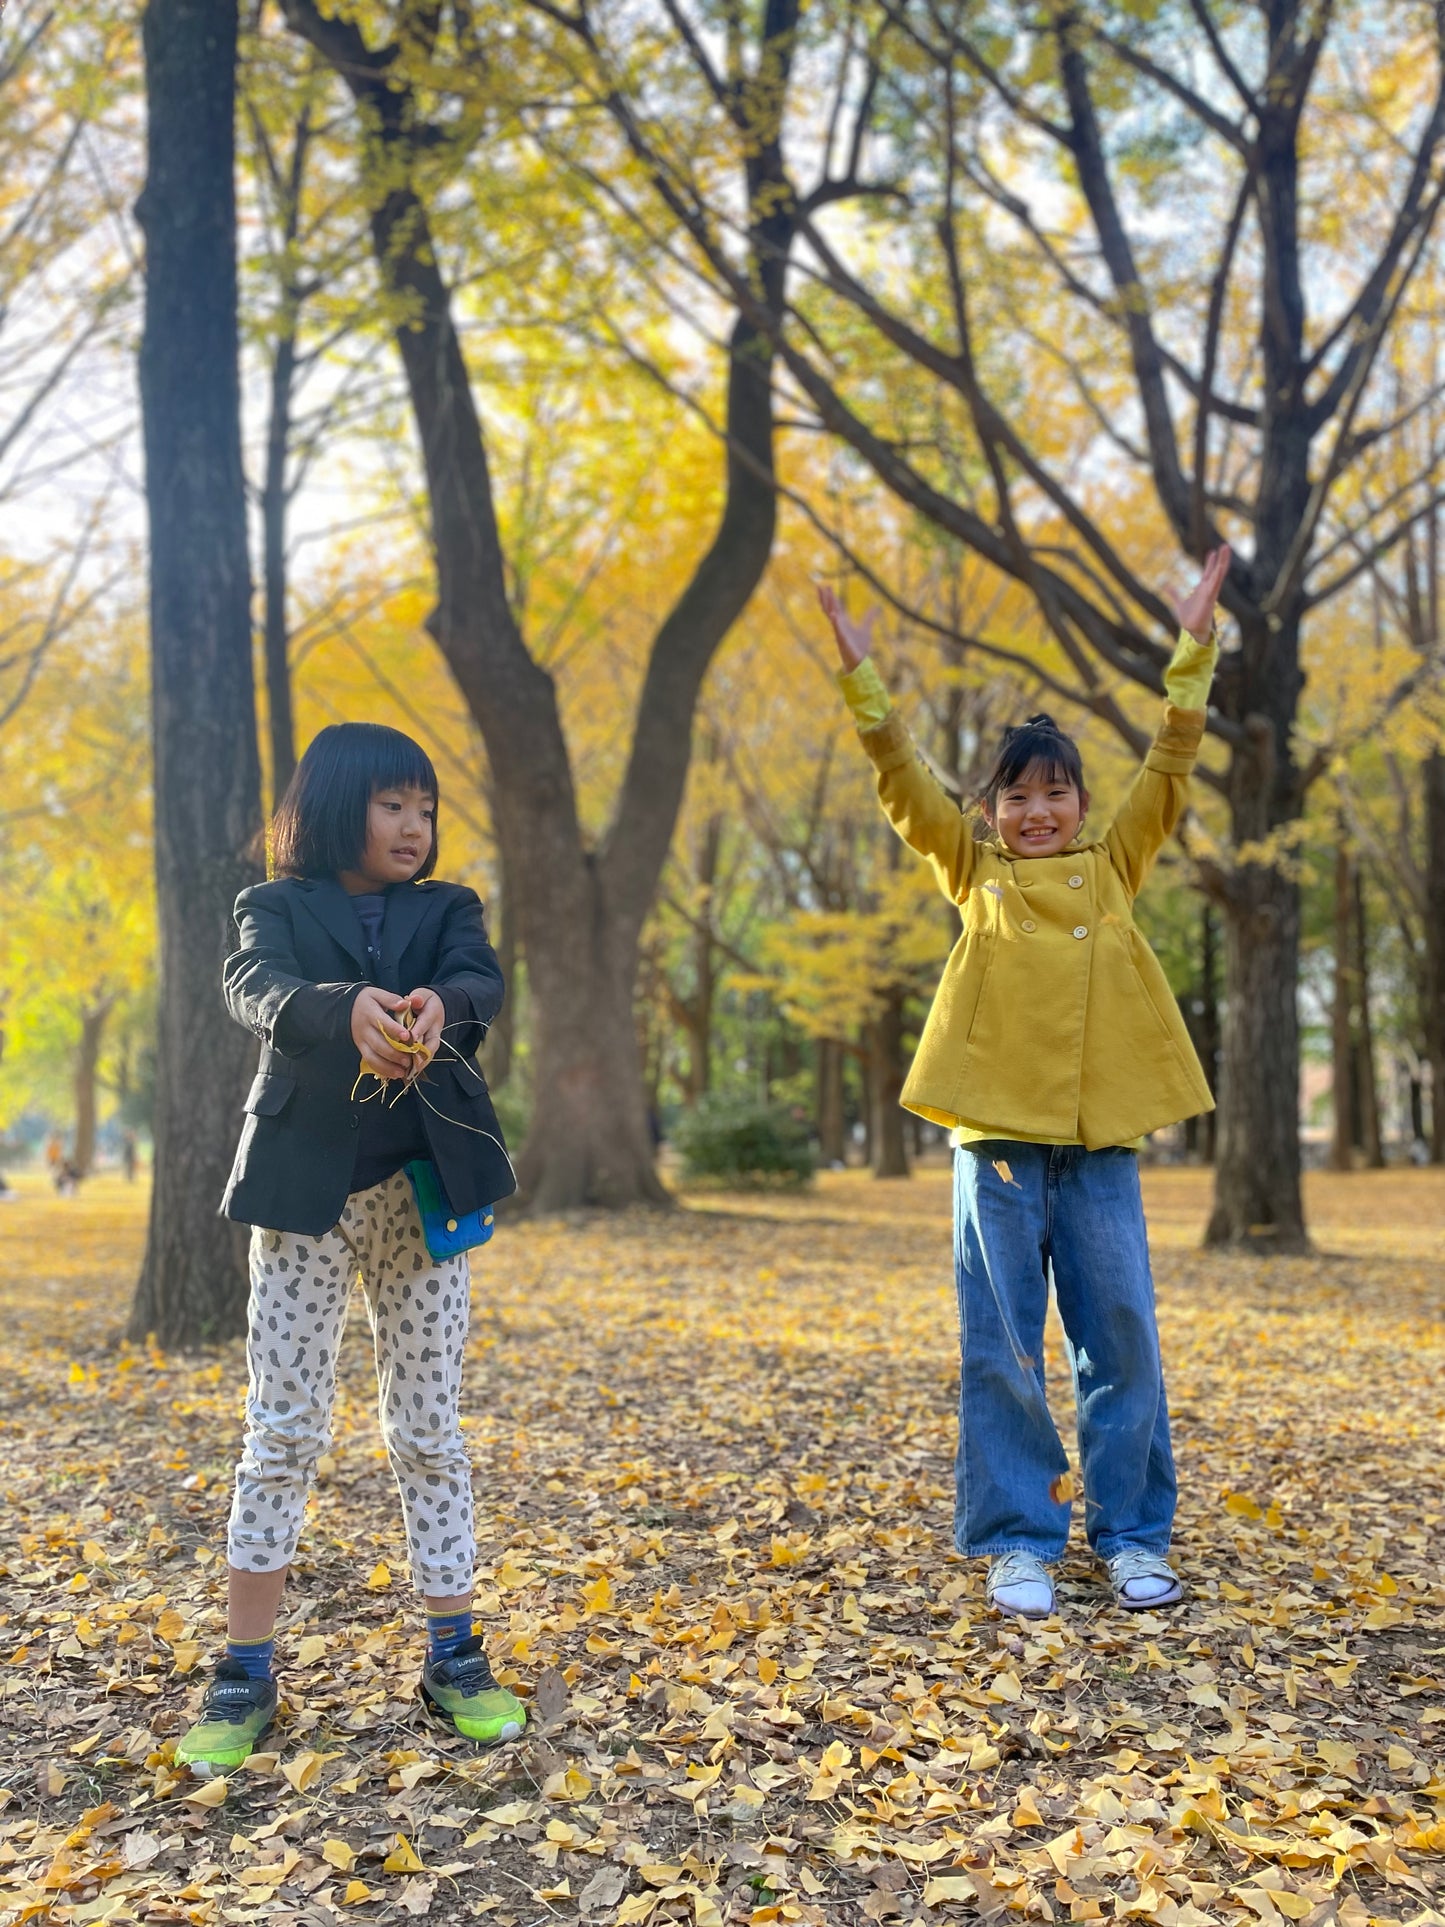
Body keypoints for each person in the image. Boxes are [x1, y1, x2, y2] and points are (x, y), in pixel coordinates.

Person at [816, 548, 1230, 1619]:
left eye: (1055, 794)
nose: (1036, 811)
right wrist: (862, 681)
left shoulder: (1112, 862)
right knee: (998, 1344)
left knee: (1120, 1333)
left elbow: (1170, 761)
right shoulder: (972, 870)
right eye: (1017, 795)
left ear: (1082, 805)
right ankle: (1017, 1540)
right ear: (990, 808)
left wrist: (1193, 647)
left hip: (1097, 1140)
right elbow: (900, 781)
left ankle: (1133, 1534)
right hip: (994, 1136)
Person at [175, 722, 524, 1776]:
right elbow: (252, 985)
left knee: (428, 1429)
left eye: (423, 808)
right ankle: (244, 1670)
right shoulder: (273, 906)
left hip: (423, 1194)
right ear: (335, 807)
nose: (414, 826)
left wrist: (437, 1005)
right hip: (303, 1197)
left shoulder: (448, 907)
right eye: (391, 806)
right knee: (281, 1427)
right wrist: (341, 1009)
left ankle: (454, 1656)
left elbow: (481, 980)